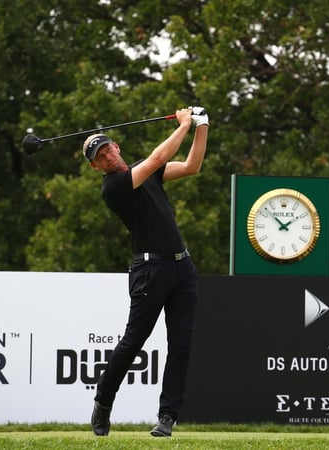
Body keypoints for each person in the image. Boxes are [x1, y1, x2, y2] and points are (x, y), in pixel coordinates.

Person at [86, 106, 209, 438]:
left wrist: (202, 125)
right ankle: (103, 401)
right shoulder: (114, 186)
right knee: (133, 341)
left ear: (117, 147)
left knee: (180, 343)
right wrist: (184, 124)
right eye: (100, 155)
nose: (107, 154)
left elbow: (193, 166)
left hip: (183, 268)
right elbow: (156, 159)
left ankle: (167, 417)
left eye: (108, 147)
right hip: (149, 270)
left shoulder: (145, 170)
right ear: (96, 166)